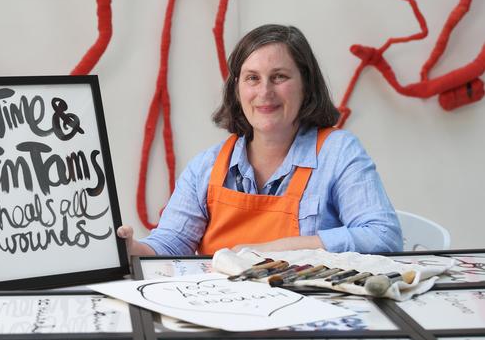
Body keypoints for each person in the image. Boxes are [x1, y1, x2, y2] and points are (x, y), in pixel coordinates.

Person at [118, 24, 402, 256]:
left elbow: (383, 237)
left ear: (306, 85)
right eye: (252, 78)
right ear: (237, 89)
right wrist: (133, 249)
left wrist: (278, 249)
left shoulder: (339, 152)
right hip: (221, 313)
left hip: (310, 314)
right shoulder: (206, 166)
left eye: (279, 77)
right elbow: (170, 244)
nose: (265, 91)